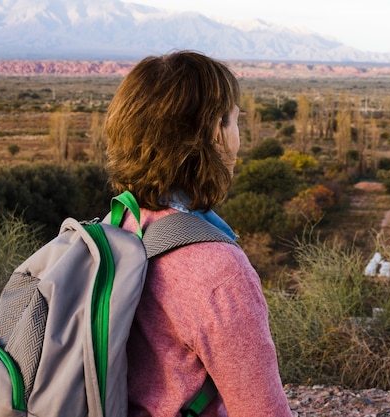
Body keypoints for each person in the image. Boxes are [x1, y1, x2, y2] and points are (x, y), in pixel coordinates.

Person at [104, 51, 293, 416]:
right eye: (235, 122)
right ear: (214, 133)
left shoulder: (118, 226)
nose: (238, 138)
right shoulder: (219, 272)